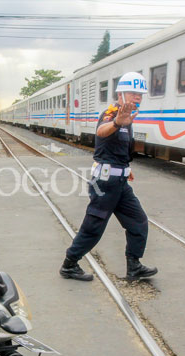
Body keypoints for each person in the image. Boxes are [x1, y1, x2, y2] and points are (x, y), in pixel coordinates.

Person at [60, 72, 157, 282]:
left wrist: (124, 166)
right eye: (133, 93)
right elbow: (102, 132)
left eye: (140, 94)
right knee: (94, 227)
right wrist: (116, 123)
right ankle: (69, 264)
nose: (137, 98)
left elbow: (117, 146)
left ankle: (134, 266)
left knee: (138, 222)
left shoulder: (128, 118)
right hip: (104, 184)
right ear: (121, 94)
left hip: (119, 183)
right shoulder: (111, 114)